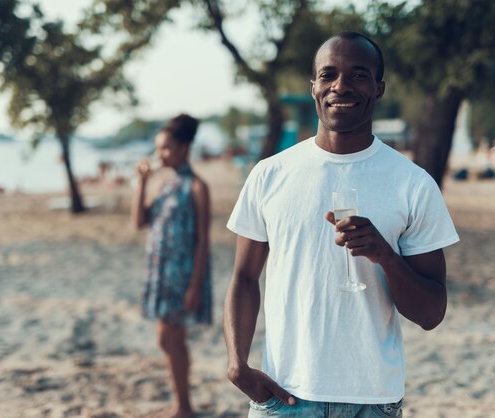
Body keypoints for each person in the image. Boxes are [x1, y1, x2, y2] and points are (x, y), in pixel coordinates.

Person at [224, 31, 460, 417]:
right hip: (284, 396)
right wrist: (237, 364)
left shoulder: (412, 184)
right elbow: (244, 278)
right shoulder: (270, 175)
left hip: (372, 400)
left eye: (358, 75)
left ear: (379, 88)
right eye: (328, 74)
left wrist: (385, 255)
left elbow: (431, 313)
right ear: (314, 86)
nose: (341, 86)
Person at [131, 113, 212, 418]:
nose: (159, 154)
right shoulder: (164, 184)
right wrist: (141, 183)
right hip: (160, 273)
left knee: (169, 338)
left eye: (164, 148)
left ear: (183, 147)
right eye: (158, 148)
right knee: (170, 339)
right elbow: (139, 221)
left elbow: (203, 241)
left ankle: (183, 406)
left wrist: (195, 285)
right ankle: (182, 403)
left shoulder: (197, 187)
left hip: (182, 277)